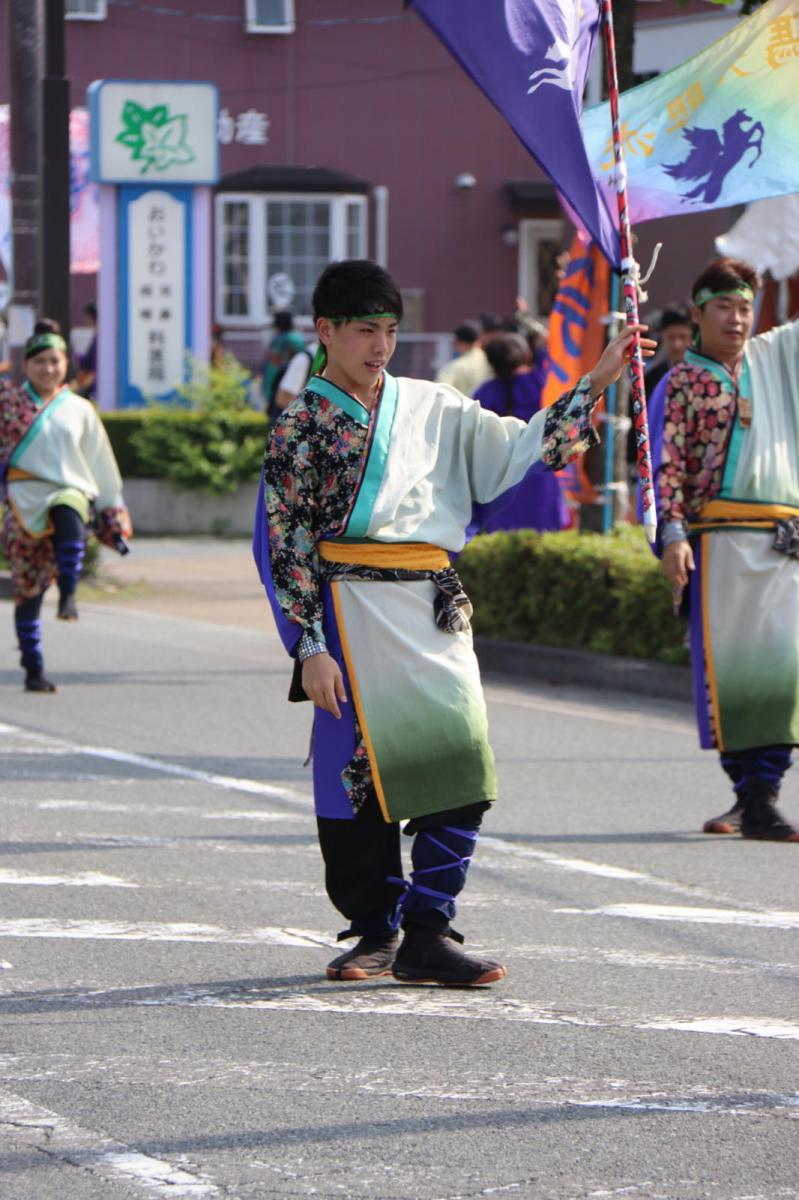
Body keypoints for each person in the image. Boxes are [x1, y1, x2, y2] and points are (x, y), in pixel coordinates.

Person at [254, 259, 653, 985]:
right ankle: (372, 930)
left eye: (388, 331)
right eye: (364, 331)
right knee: (357, 781)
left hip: (432, 606)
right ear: (326, 332)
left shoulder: (432, 406)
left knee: (464, 763)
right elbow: (284, 545)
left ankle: (428, 929)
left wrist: (597, 379)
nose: (380, 346)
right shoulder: (299, 427)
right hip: (347, 610)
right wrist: (308, 645)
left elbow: (517, 450)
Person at [657, 256, 799, 841]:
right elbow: (663, 467)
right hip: (717, 543)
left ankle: (763, 792)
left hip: (783, 542)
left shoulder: (775, 362)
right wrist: (670, 535)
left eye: (745, 307)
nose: (737, 319)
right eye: (725, 307)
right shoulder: (680, 381)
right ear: (698, 314)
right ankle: (751, 794)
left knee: (785, 673)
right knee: (731, 675)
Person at [0, 320, 131, 693]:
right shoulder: (8, 403)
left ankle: (70, 593)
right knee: (28, 590)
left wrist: (113, 508)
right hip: (22, 499)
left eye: (55, 361)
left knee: (70, 512)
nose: (48, 368)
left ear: (65, 365)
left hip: (69, 490)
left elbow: (101, 462)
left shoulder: (80, 409)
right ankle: (32, 667)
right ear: (26, 366)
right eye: (39, 361)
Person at [472, 332, 567, 533]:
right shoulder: (541, 383)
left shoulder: (484, 394)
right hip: (541, 472)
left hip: (501, 480)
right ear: (525, 356)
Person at [261, 312, 307, 417]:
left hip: (278, 386)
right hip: (297, 386)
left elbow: (273, 364)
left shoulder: (278, 340)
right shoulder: (299, 339)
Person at [435, 320, 492, 395]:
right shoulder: (493, 363)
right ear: (479, 339)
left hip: (464, 406)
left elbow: (439, 393)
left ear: (457, 342)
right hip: (491, 406)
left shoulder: (452, 368)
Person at [74, 302, 97, 400]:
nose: (84, 320)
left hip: (93, 384)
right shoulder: (99, 336)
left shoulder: (99, 338)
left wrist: (78, 356)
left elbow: (89, 363)